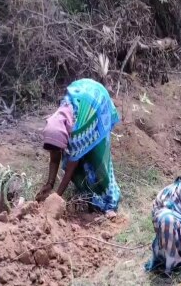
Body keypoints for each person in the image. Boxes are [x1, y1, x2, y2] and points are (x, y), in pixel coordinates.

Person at [35, 78, 121, 212]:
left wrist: (56, 198)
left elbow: (70, 170)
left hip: (97, 105)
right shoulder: (56, 124)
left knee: (97, 160)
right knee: (74, 160)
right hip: (81, 94)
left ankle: (109, 201)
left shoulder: (76, 136)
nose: (57, 152)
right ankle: (87, 193)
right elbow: (55, 157)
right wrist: (49, 184)